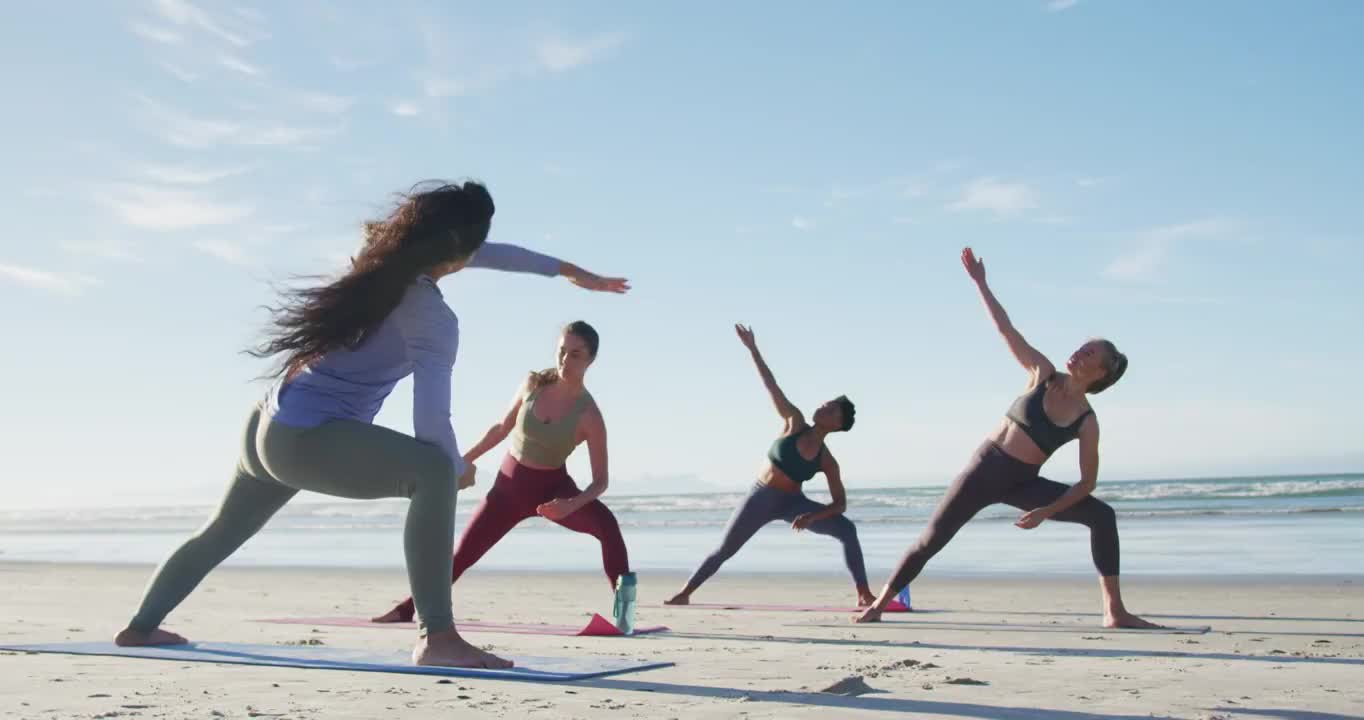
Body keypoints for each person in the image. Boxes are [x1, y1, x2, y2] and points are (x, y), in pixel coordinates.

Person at [111, 180, 631, 668]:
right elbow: (430, 420)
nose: (480, 256)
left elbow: (494, 254)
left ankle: (141, 626)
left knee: (220, 532)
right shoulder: (432, 318)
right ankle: (438, 636)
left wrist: (567, 271)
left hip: (268, 421)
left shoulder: (385, 260)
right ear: (455, 251)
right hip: (308, 437)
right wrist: (453, 466)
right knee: (430, 471)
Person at [855, 247, 1159, 629]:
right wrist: (981, 284)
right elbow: (1006, 329)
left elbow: (1087, 483)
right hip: (984, 469)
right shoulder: (1042, 373)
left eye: (1089, 353)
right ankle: (880, 604)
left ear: (1100, 373)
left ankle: (1114, 611)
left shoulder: (1086, 420)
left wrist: (1047, 511)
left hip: (1022, 483)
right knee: (931, 539)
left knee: (1102, 515)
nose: (1078, 353)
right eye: (1081, 347)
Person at [372, 320, 632, 624]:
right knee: (462, 556)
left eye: (575, 354)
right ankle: (407, 609)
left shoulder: (589, 415)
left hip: (554, 491)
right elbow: (500, 429)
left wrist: (570, 505)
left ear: (590, 360)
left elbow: (601, 481)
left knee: (608, 526)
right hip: (508, 490)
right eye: (561, 351)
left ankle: (625, 614)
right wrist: (461, 461)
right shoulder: (533, 385)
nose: (564, 360)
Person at [666, 324, 873, 607]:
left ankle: (864, 593)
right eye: (825, 403)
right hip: (760, 497)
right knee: (726, 548)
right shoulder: (794, 421)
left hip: (792, 503)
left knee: (847, 530)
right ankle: (685, 592)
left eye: (830, 408)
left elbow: (840, 504)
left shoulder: (827, 460)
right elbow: (771, 385)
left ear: (837, 424)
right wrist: (752, 348)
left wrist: (812, 517)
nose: (823, 407)